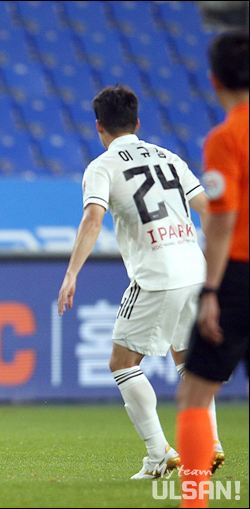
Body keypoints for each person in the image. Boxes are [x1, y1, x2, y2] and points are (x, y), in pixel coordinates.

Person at [57, 84, 214, 480]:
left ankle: (159, 455)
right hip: (194, 268)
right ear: (137, 122)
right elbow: (207, 208)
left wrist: (71, 273)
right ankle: (209, 443)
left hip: (157, 273)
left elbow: (93, 220)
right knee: (187, 360)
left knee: (122, 362)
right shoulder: (169, 157)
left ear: (99, 126)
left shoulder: (103, 167)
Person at [176, 30, 248, 509]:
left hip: (239, 275)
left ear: (213, 80)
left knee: (195, 395)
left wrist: (211, 292)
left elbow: (222, 222)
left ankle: (195, 502)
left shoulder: (225, 138)